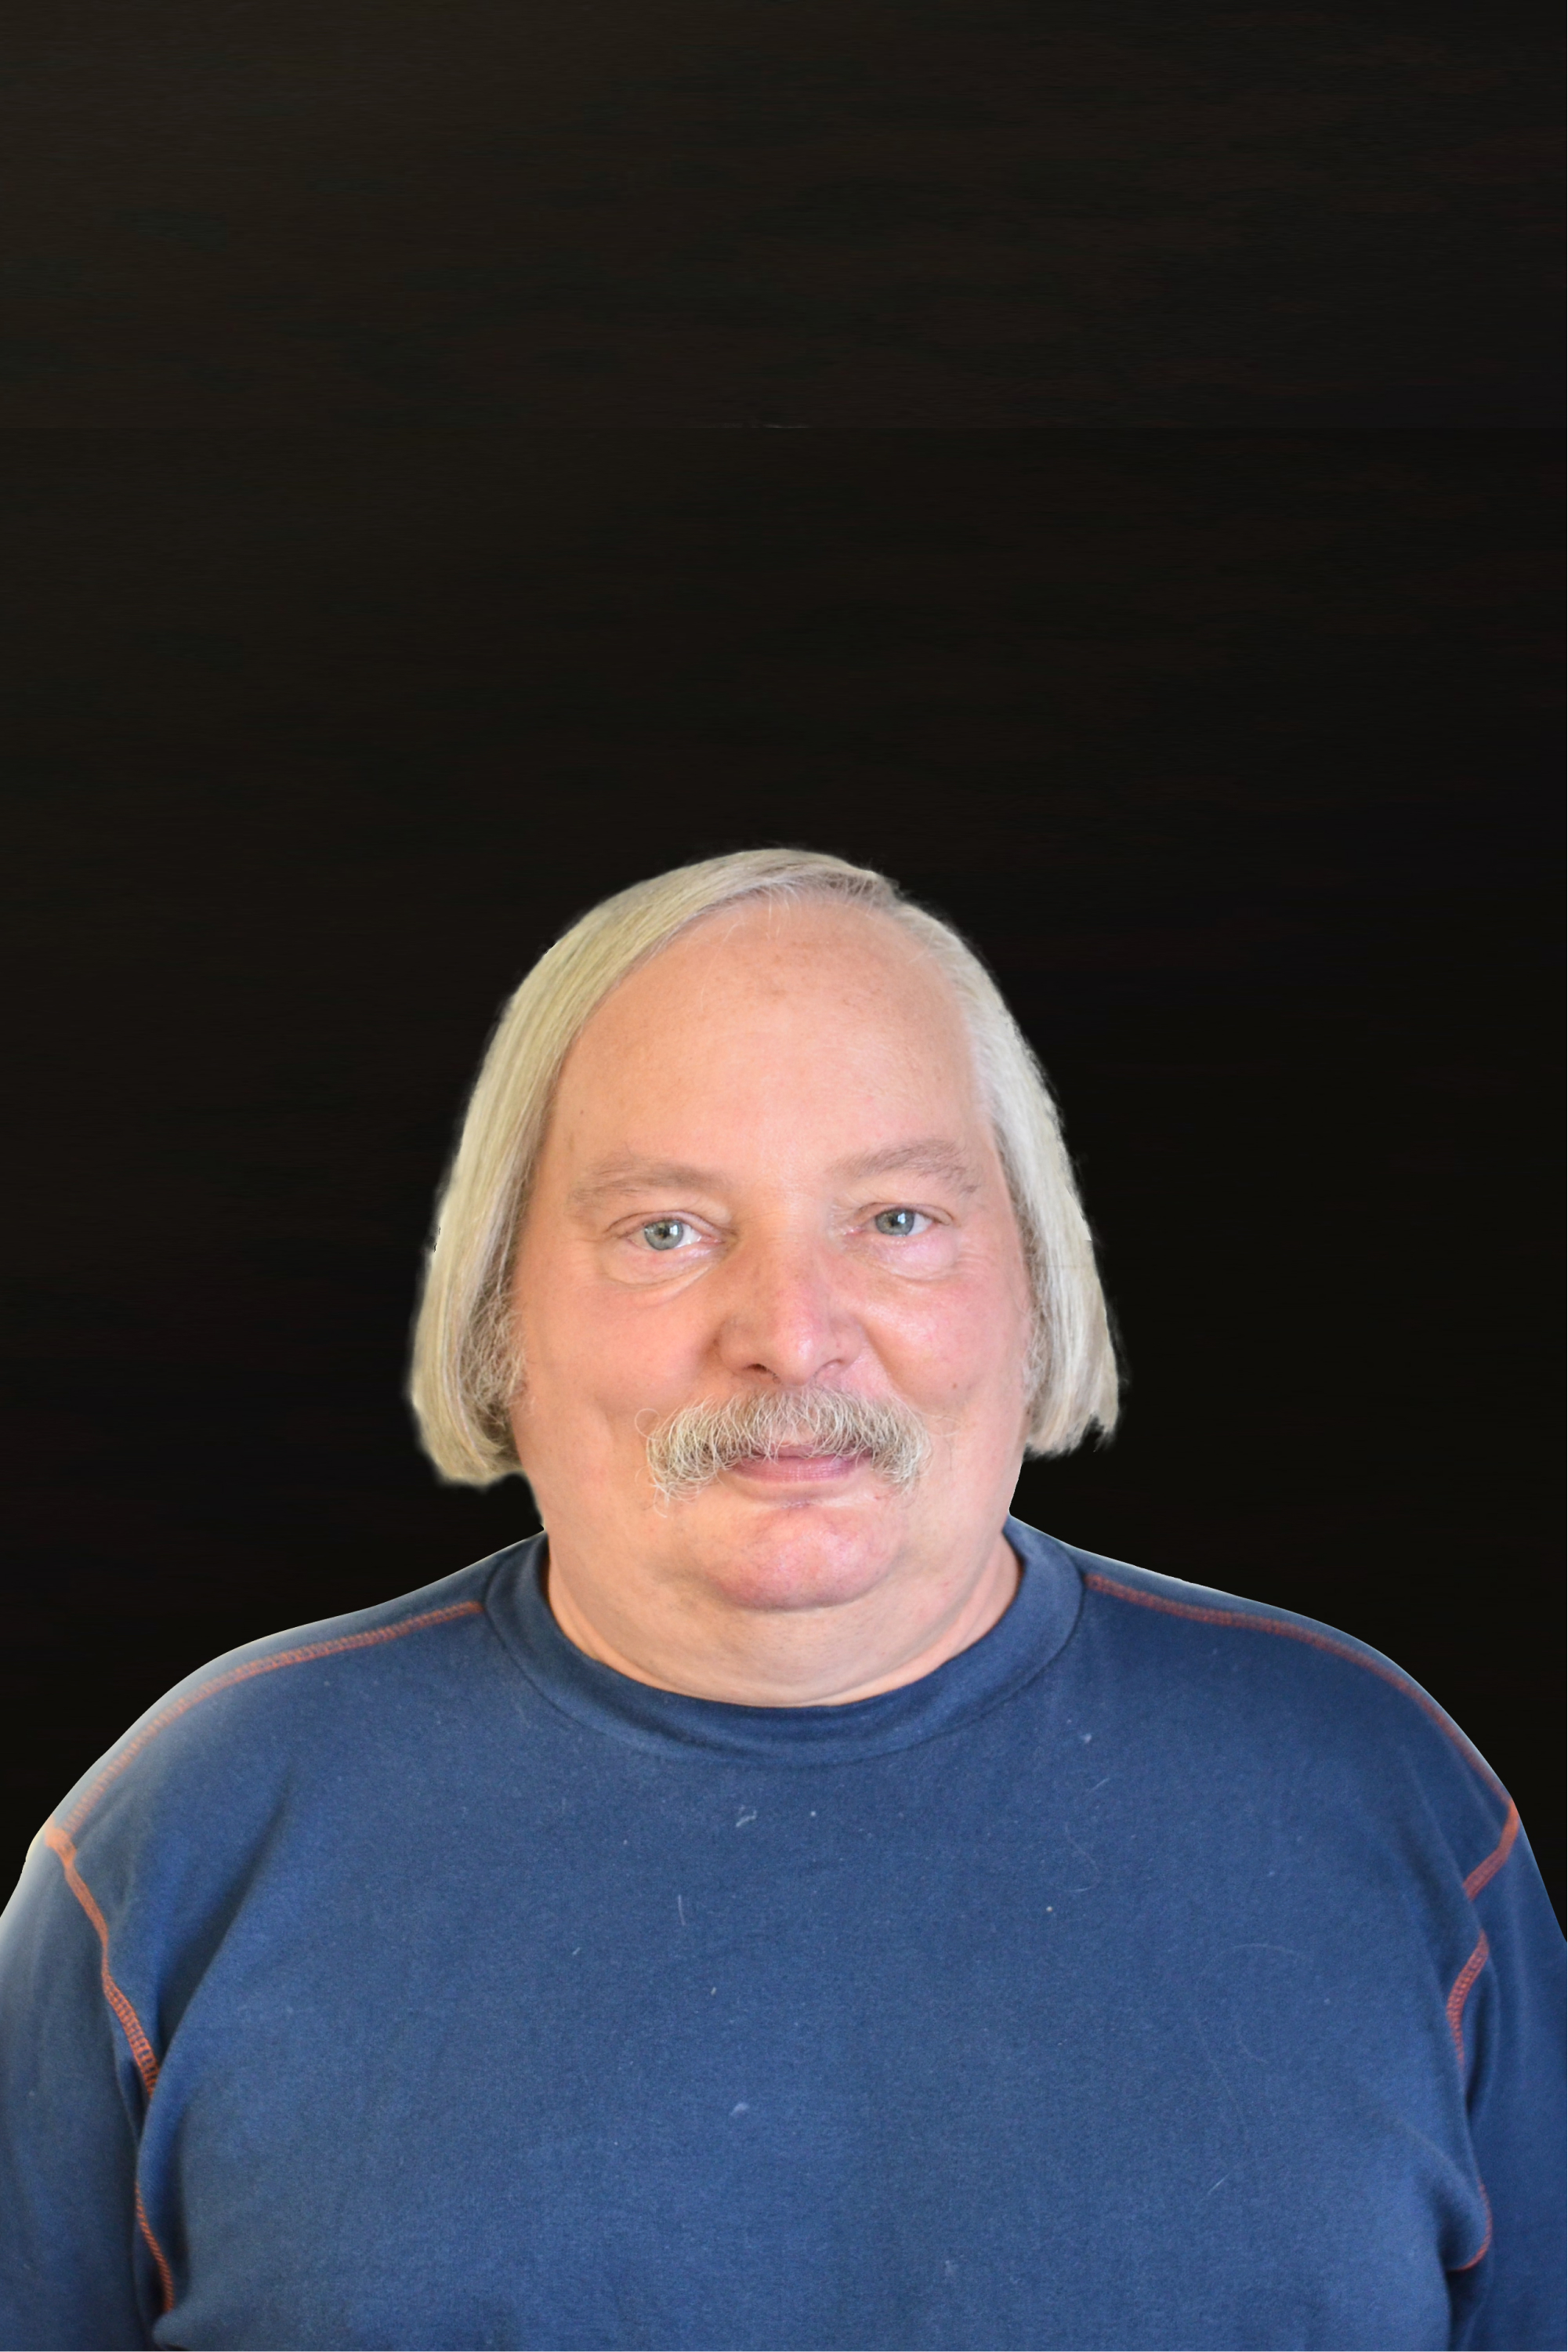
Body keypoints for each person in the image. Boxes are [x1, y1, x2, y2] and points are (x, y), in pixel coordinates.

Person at [0, 847, 1561, 2352]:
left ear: (1034, 1282)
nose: (791, 1333)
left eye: (894, 1219)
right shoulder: (189, 1835)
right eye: (665, 1230)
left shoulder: (1378, 1794)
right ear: (497, 1310)